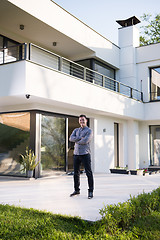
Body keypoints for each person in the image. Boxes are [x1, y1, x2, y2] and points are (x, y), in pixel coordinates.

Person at [69, 114, 94, 199]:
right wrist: (80, 138)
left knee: (88, 173)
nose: (81, 121)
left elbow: (86, 140)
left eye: (83, 120)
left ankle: (90, 191)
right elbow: (71, 138)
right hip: (76, 154)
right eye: (80, 120)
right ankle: (76, 190)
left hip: (85, 154)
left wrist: (77, 140)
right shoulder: (76, 130)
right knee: (76, 173)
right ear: (79, 121)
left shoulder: (89, 131)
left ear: (86, 120)